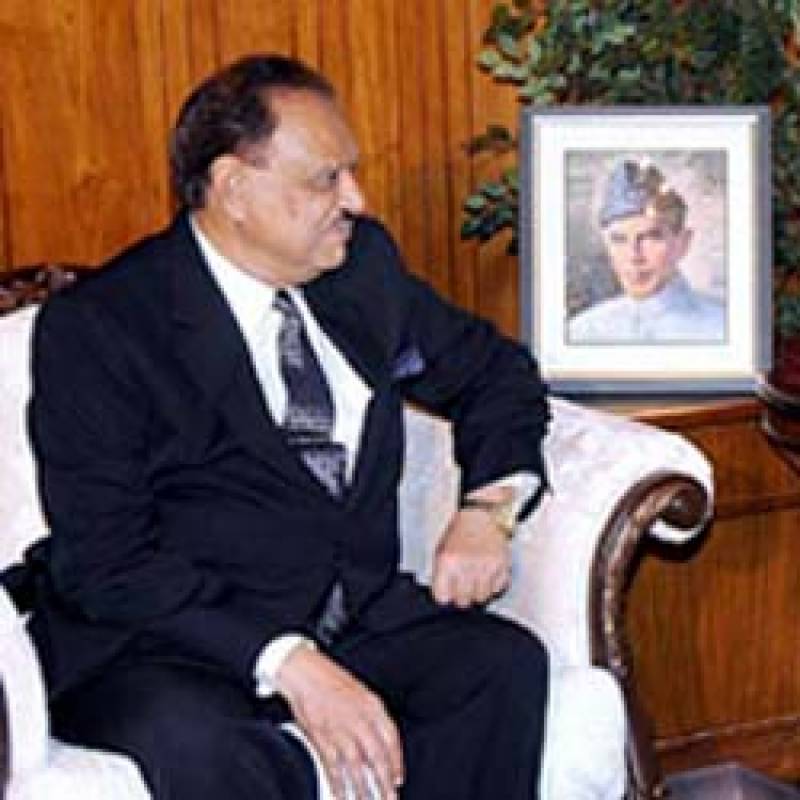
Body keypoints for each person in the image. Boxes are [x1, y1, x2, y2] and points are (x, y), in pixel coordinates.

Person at [25, 54, 551, 800]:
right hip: (169, 642)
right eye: (325, 179)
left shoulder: (361, 270)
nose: (356, 200)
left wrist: (487, 510)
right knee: (205, 746)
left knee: (498, 666)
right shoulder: (103, 328)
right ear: (234, 188)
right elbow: (106, 559)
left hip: (353, 615)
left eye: (352, 173)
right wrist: (287, 662)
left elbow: (494, 373)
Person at [568, 159, 726, 344]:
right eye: (619, 239)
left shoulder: (722, 328)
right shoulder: (582, 331)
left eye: (651, 237)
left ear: (683, 243)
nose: (633, 256)